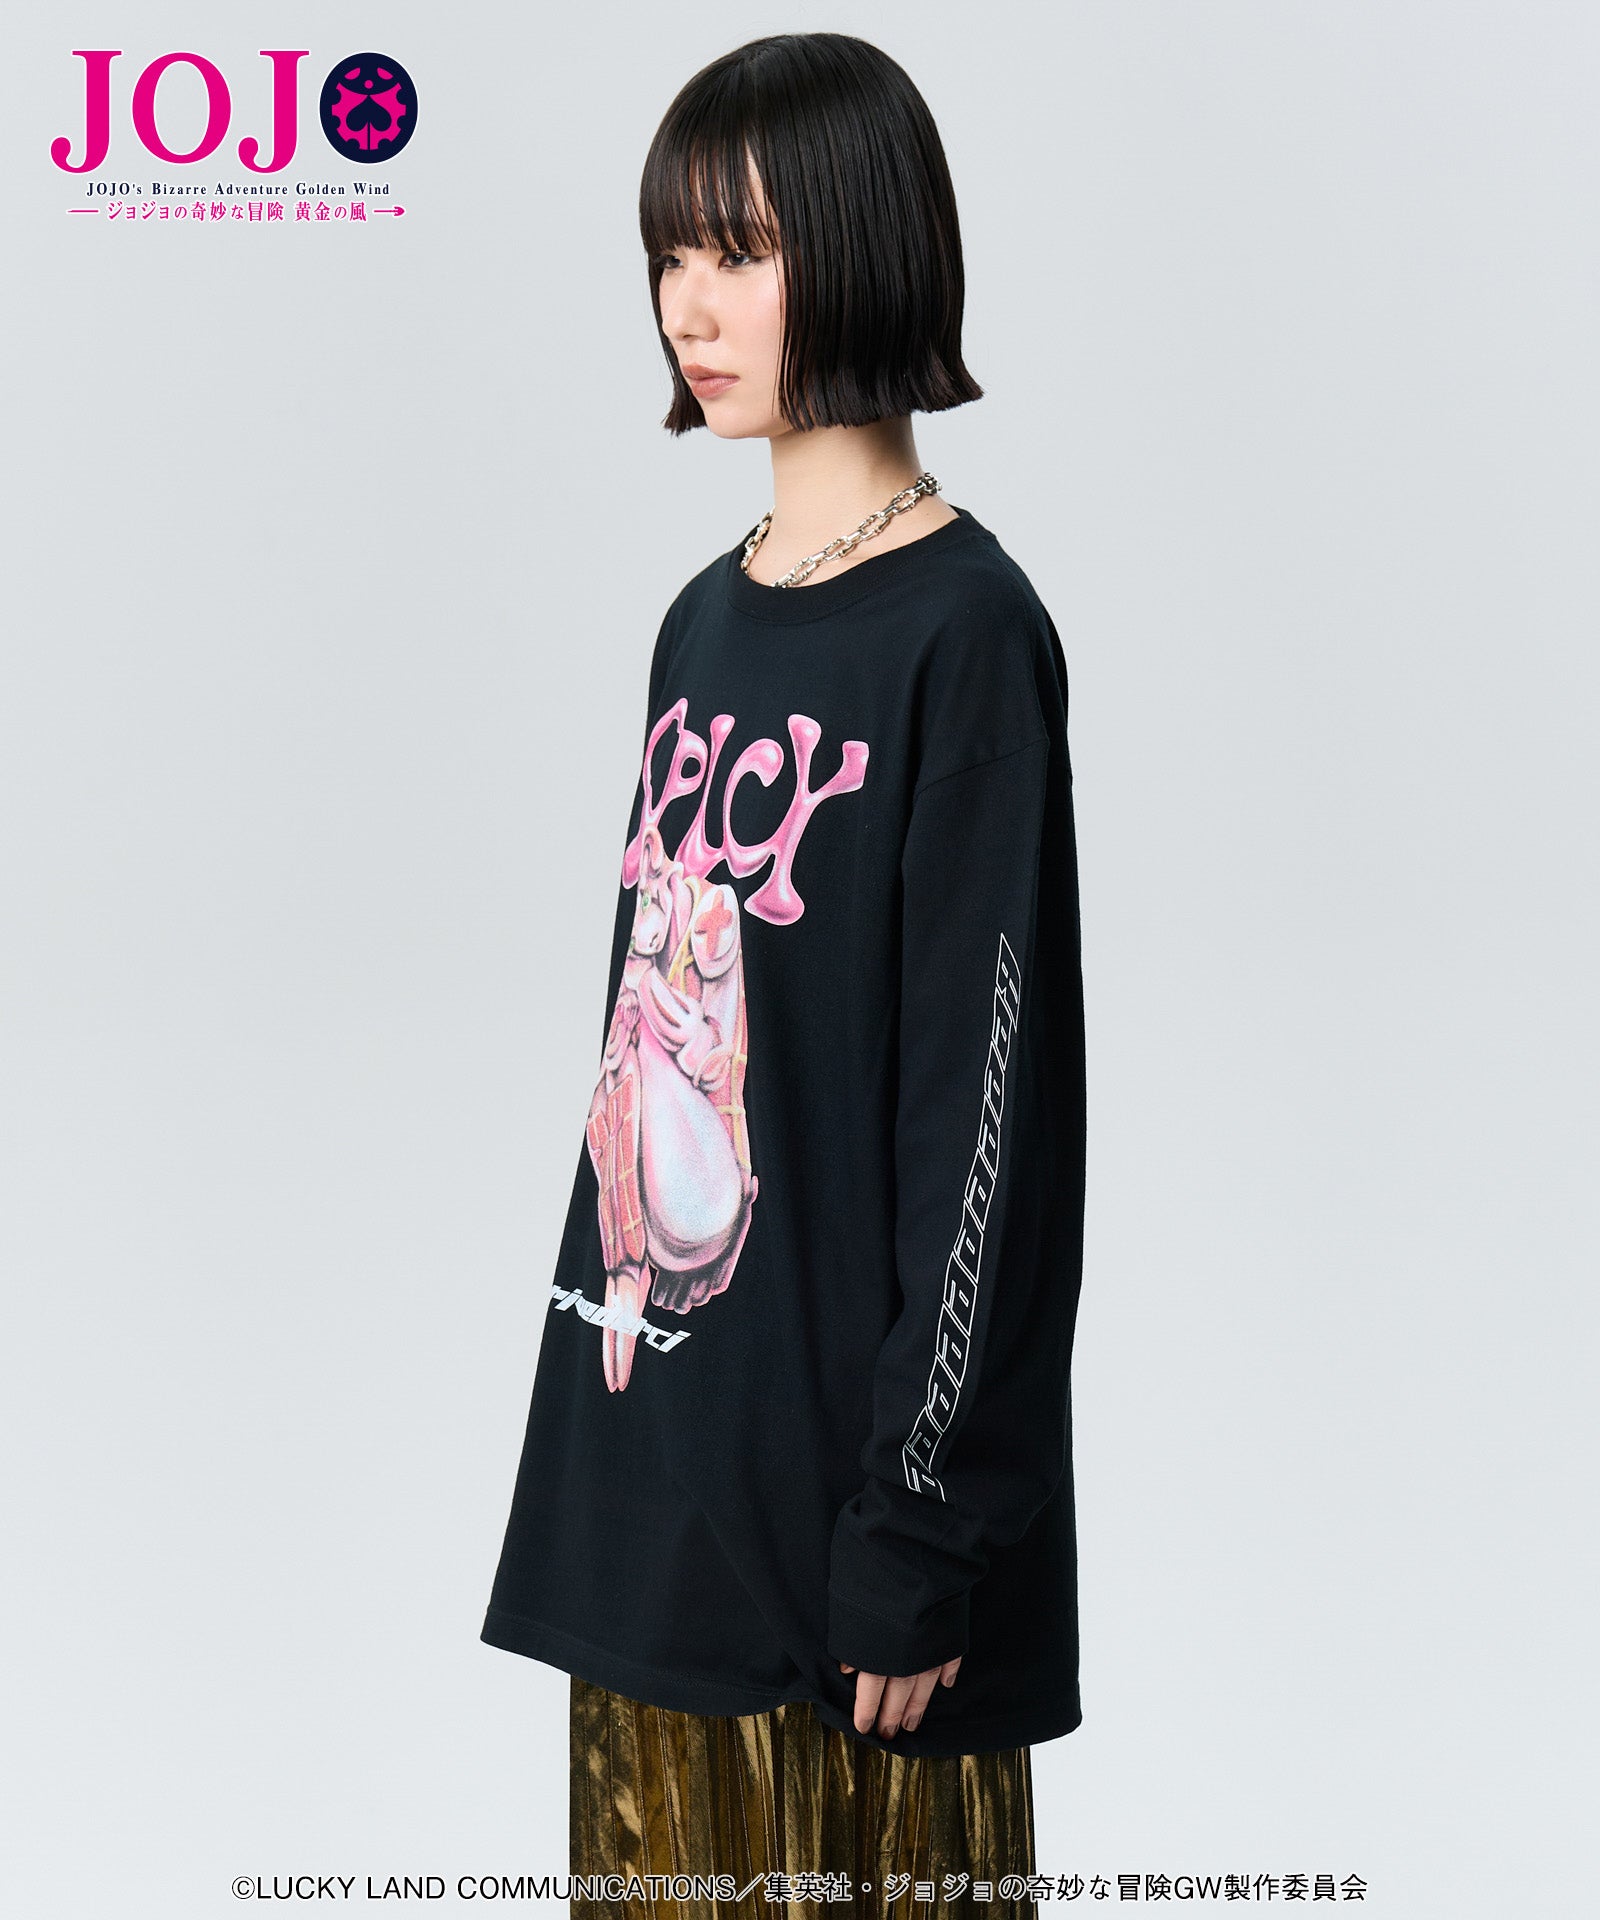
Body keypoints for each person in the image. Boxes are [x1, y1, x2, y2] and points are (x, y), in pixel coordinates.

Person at [480, 32, 1088, 1912]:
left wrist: (924, 1524)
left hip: (852, 1550)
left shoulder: (966, 637)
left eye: (741, 252)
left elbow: (990, 1125)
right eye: (671, 253)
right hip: (645, 1486)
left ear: (866, 245)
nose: (690, 304)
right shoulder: (702, 624)